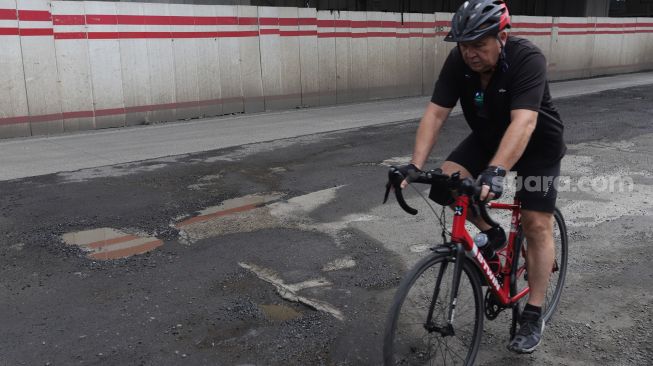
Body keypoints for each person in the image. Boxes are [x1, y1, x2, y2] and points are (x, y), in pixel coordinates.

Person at [396, 0, 566, 354]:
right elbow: (436, 114)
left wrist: (497, 170)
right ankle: (493, 233)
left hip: (537, 145)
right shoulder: (459, 62)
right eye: (463, 44)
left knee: (535, 222)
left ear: (501, 37)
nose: (469, 53)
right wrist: (414, 164)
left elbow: (524, 122)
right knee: (446, 185)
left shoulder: (526, 59)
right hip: (488, 137)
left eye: (478, 44)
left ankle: (533, 314)